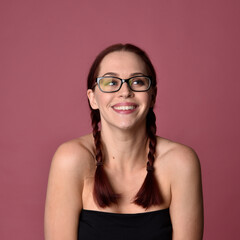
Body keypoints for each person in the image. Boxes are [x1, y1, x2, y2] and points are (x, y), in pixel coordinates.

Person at [44, 43, 204, 240]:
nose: (125, 91)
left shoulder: (181, 162)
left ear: (152, 96)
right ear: (92, 98)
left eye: (137, 82)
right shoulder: (70, 160)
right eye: (111, 82)